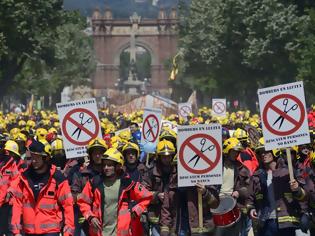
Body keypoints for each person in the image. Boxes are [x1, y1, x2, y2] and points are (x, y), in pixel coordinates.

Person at [77, 148, 153, 236]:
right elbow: (82, 202)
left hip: (122, 232)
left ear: (118, 166)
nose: (106, 168)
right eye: (104, 165)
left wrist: (136, 211)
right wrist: (90, 217)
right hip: (99, 232)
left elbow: (147, 196)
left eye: (109, 165)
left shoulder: (127, 183)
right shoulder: (94, 182)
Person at [10, 140, 74, 236]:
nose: (34, 160)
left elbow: (68, 205)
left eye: (37, 157)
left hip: (51, 232)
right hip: (29, 232)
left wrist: (68, 232)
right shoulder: (24, 177)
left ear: (45, 158)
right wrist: (16, 232)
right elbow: (17, 204)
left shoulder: (57, 178)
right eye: (32, 157)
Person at [249, 141, 307, 236]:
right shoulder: (256, 175)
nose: (263, 154)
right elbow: (250, 197)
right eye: (260, 152)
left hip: (285, 222)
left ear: (274, 151)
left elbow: (304, 198)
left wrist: (297, 189)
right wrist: (251, 209)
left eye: (266, 151)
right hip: (265, 222)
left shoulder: (288, 172)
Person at [215, 137, 253, 236]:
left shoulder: (242, 168)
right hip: (216, 204)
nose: (236, 154)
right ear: (227, 151)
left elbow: (248, 187)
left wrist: (239, 192)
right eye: (234, 151)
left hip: (234, 205)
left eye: (238, 152)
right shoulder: (216, 166)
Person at [71, 138, 107, 236]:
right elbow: (73, 196)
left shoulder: (110, 174)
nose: (98, 155)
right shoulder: (80, 174)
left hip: (106, 219)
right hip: (85, 218)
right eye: (95, 153)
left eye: (100, 153)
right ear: (90, 155)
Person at [142, 140, 177, 236]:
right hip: (156, 216)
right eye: (164, 156)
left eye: (169, 156)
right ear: (159, 156)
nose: (167, 158)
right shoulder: (150, 173)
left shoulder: (178, 171)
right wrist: (156, 196)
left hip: (175, 216)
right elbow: (143, 192)